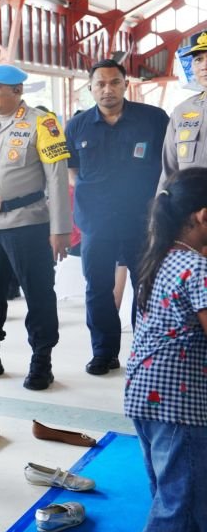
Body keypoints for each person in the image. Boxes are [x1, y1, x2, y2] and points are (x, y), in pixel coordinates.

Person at [0, 64, 72, 388]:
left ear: (17, 91)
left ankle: (42, 358)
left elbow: (56, 178)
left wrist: (60, 229)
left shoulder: (42, 123)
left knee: (38, 292)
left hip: (28, 222)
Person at [65, 59, 168, 375]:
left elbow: (168, 164)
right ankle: (104, 352)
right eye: (100, 83)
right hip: (96, 223)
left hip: (143, 221)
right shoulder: (77, 125)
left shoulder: (153, 119)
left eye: (114, 82)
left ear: (126, 85)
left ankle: (146, 350)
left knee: (146, 287)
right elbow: (72, 173)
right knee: (97, 287)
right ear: (91, 88)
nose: (107, 89)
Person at [126, 167, 207, 532]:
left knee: (172, 491)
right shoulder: (198, 267)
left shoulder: (161, 257)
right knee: (180, 504)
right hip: (180, 405)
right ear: (203, 216)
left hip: (147, 395)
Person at [159, 30, 207, 187]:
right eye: (198, 59)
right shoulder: (182, 111)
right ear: (192, 67)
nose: (204, 65)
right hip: (189, 209)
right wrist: (160, 210)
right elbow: (169, 172)